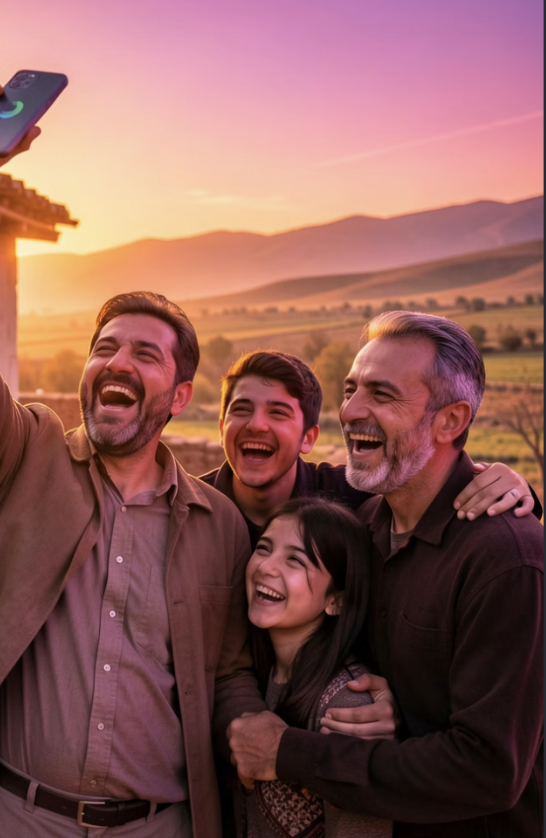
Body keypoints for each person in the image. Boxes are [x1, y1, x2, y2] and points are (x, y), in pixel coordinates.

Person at [0, 81, 262, 837]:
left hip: (158, 824)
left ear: (181, 396)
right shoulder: (22, 456)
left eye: (144, 354)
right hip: (15, 815)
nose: (117, 362)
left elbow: (227, 670)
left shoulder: (220, 525)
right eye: (104, 348)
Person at [228, 312, 543, 836]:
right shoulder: (366, 522)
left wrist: (291, 753)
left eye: (382, 394)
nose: (350, 410)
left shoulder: (503, 558)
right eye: (351, 389)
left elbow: (488, 768)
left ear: (450, 421)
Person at [202, 348, 538, 550]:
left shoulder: (354, 499)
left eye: (278, 413)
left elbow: (432, 493)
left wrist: (517, 490)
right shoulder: (189, 510)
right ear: (221, 428)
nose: (256, 425)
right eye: (241, 409)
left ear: (308, 438)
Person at [240, 497, 390, 838]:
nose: (266, 567)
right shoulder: (252, 678)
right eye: (264, 548)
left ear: (336, 600)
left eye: (295, 560)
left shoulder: (347, 708)